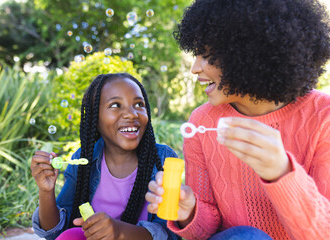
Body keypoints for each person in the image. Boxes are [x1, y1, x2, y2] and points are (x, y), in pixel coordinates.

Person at [145, 0, 330, 239]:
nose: (194, 68)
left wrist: (281, 172)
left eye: (207, 55)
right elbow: (207, 230)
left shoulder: (322, 116)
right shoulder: (201, 121)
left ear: (249, 52)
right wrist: (190, 212)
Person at [31, 73, 180, 240]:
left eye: (139, 104)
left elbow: (170, 234)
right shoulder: (83, 159)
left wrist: (119, 232)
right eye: (116, 105)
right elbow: (56, 232)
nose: (131, 114)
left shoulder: (162, 159)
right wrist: (45, 191)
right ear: (95, 117)